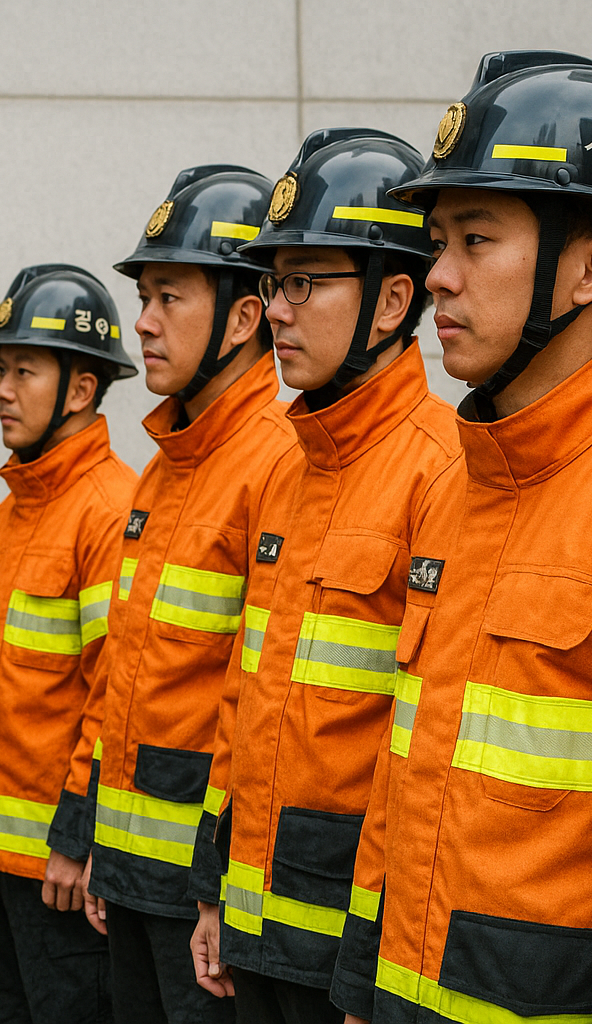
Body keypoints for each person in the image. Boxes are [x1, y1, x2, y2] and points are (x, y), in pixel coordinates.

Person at [328, 51, 592, 1024]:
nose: (437, 277)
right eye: (436, 240)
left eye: (475, 239)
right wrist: (360, 982)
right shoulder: (455, 489)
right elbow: (407, 768)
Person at [184, 129, 459, 1024]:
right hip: (255, 924)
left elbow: (417, 759)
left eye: (305, 281)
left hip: (348, 950)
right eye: (271, 283)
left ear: (391, 303)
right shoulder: (284, 469)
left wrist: (373, 968)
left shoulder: (443, 473)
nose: (277, 311)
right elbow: (245, 697)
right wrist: (214, 888)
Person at [85, 165, 295, 1024]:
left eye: (170, 296)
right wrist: (98, 844)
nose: (142, 321)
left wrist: (214, 885)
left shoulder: (278, 462)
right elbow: (124, 676)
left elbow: (258, 703)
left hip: (203, 895)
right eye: (145, 296)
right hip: (133, 878)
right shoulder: (162, 471)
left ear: (245, 316)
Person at [0, 263, 139, 1023]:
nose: (1, 388)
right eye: (1, 369)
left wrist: (78, 839)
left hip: (57, 871)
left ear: (80, 390)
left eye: (23, 369)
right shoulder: (10, 514)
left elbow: (114, 695)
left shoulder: (110, 511)